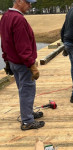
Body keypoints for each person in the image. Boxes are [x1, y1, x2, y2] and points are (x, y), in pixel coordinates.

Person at [0, 0, 44, 130]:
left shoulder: (6, 16)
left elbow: (5, 41)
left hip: (13, 62)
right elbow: (22, 46)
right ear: (18, 1)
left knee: (23, 90)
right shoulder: (18, 19)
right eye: (28, 2)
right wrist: (32, 65)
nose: (30, 5)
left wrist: (6, 59)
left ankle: (27, 113)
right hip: (22, 63)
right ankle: (27, 121)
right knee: (27, 91)